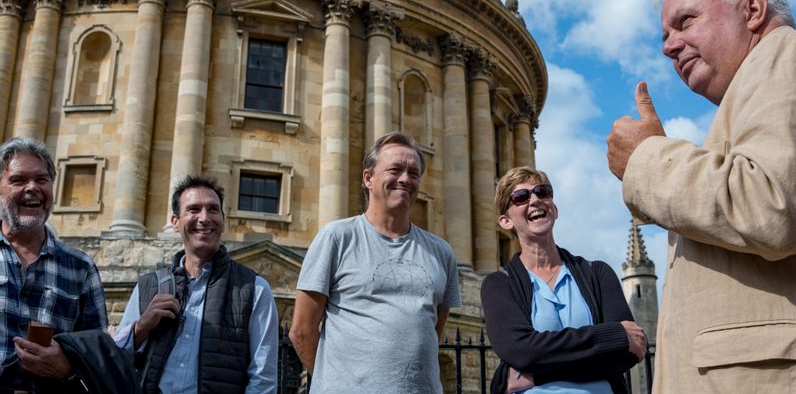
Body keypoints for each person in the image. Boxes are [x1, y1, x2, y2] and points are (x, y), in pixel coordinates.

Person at [607, 0, 796, 392]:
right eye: (665, 35)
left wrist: (648, 158)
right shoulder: (752, 89)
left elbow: (772, 203)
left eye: (685, 21)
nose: (668, 46)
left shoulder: (786, 54)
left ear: (752, 11)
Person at [290, 131, 461, 393]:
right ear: (368, 178)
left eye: (413, 173)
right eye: (395, 170)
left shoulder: (442, 252)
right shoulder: (337, 237)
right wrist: (334, 383)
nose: (405, 179)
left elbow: (432, 331)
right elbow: (302, 329)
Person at [481, 167, 644, 394]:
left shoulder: (597, 273)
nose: (536, 199)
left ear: (554, 209)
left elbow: (628, 351)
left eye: (543, 192)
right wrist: (613, 335)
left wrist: (537, 374)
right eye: (521, 197)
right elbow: (521, 351)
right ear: (506, 221)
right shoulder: (499, 284)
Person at [114, 175, 279, 393]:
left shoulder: (255, 289)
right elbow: (116, 363)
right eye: (193, 209)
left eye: (213, 209)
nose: (204, 218)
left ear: (223, 220)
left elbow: (263, 379)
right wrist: (141, 327)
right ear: (175, 222)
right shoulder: (148, 286)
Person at [0, 137, 108, 393]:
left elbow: (99, 358)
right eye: (18, 180)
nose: (32, 188)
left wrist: (67, 370)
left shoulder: (81, 268)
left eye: (41, 179)